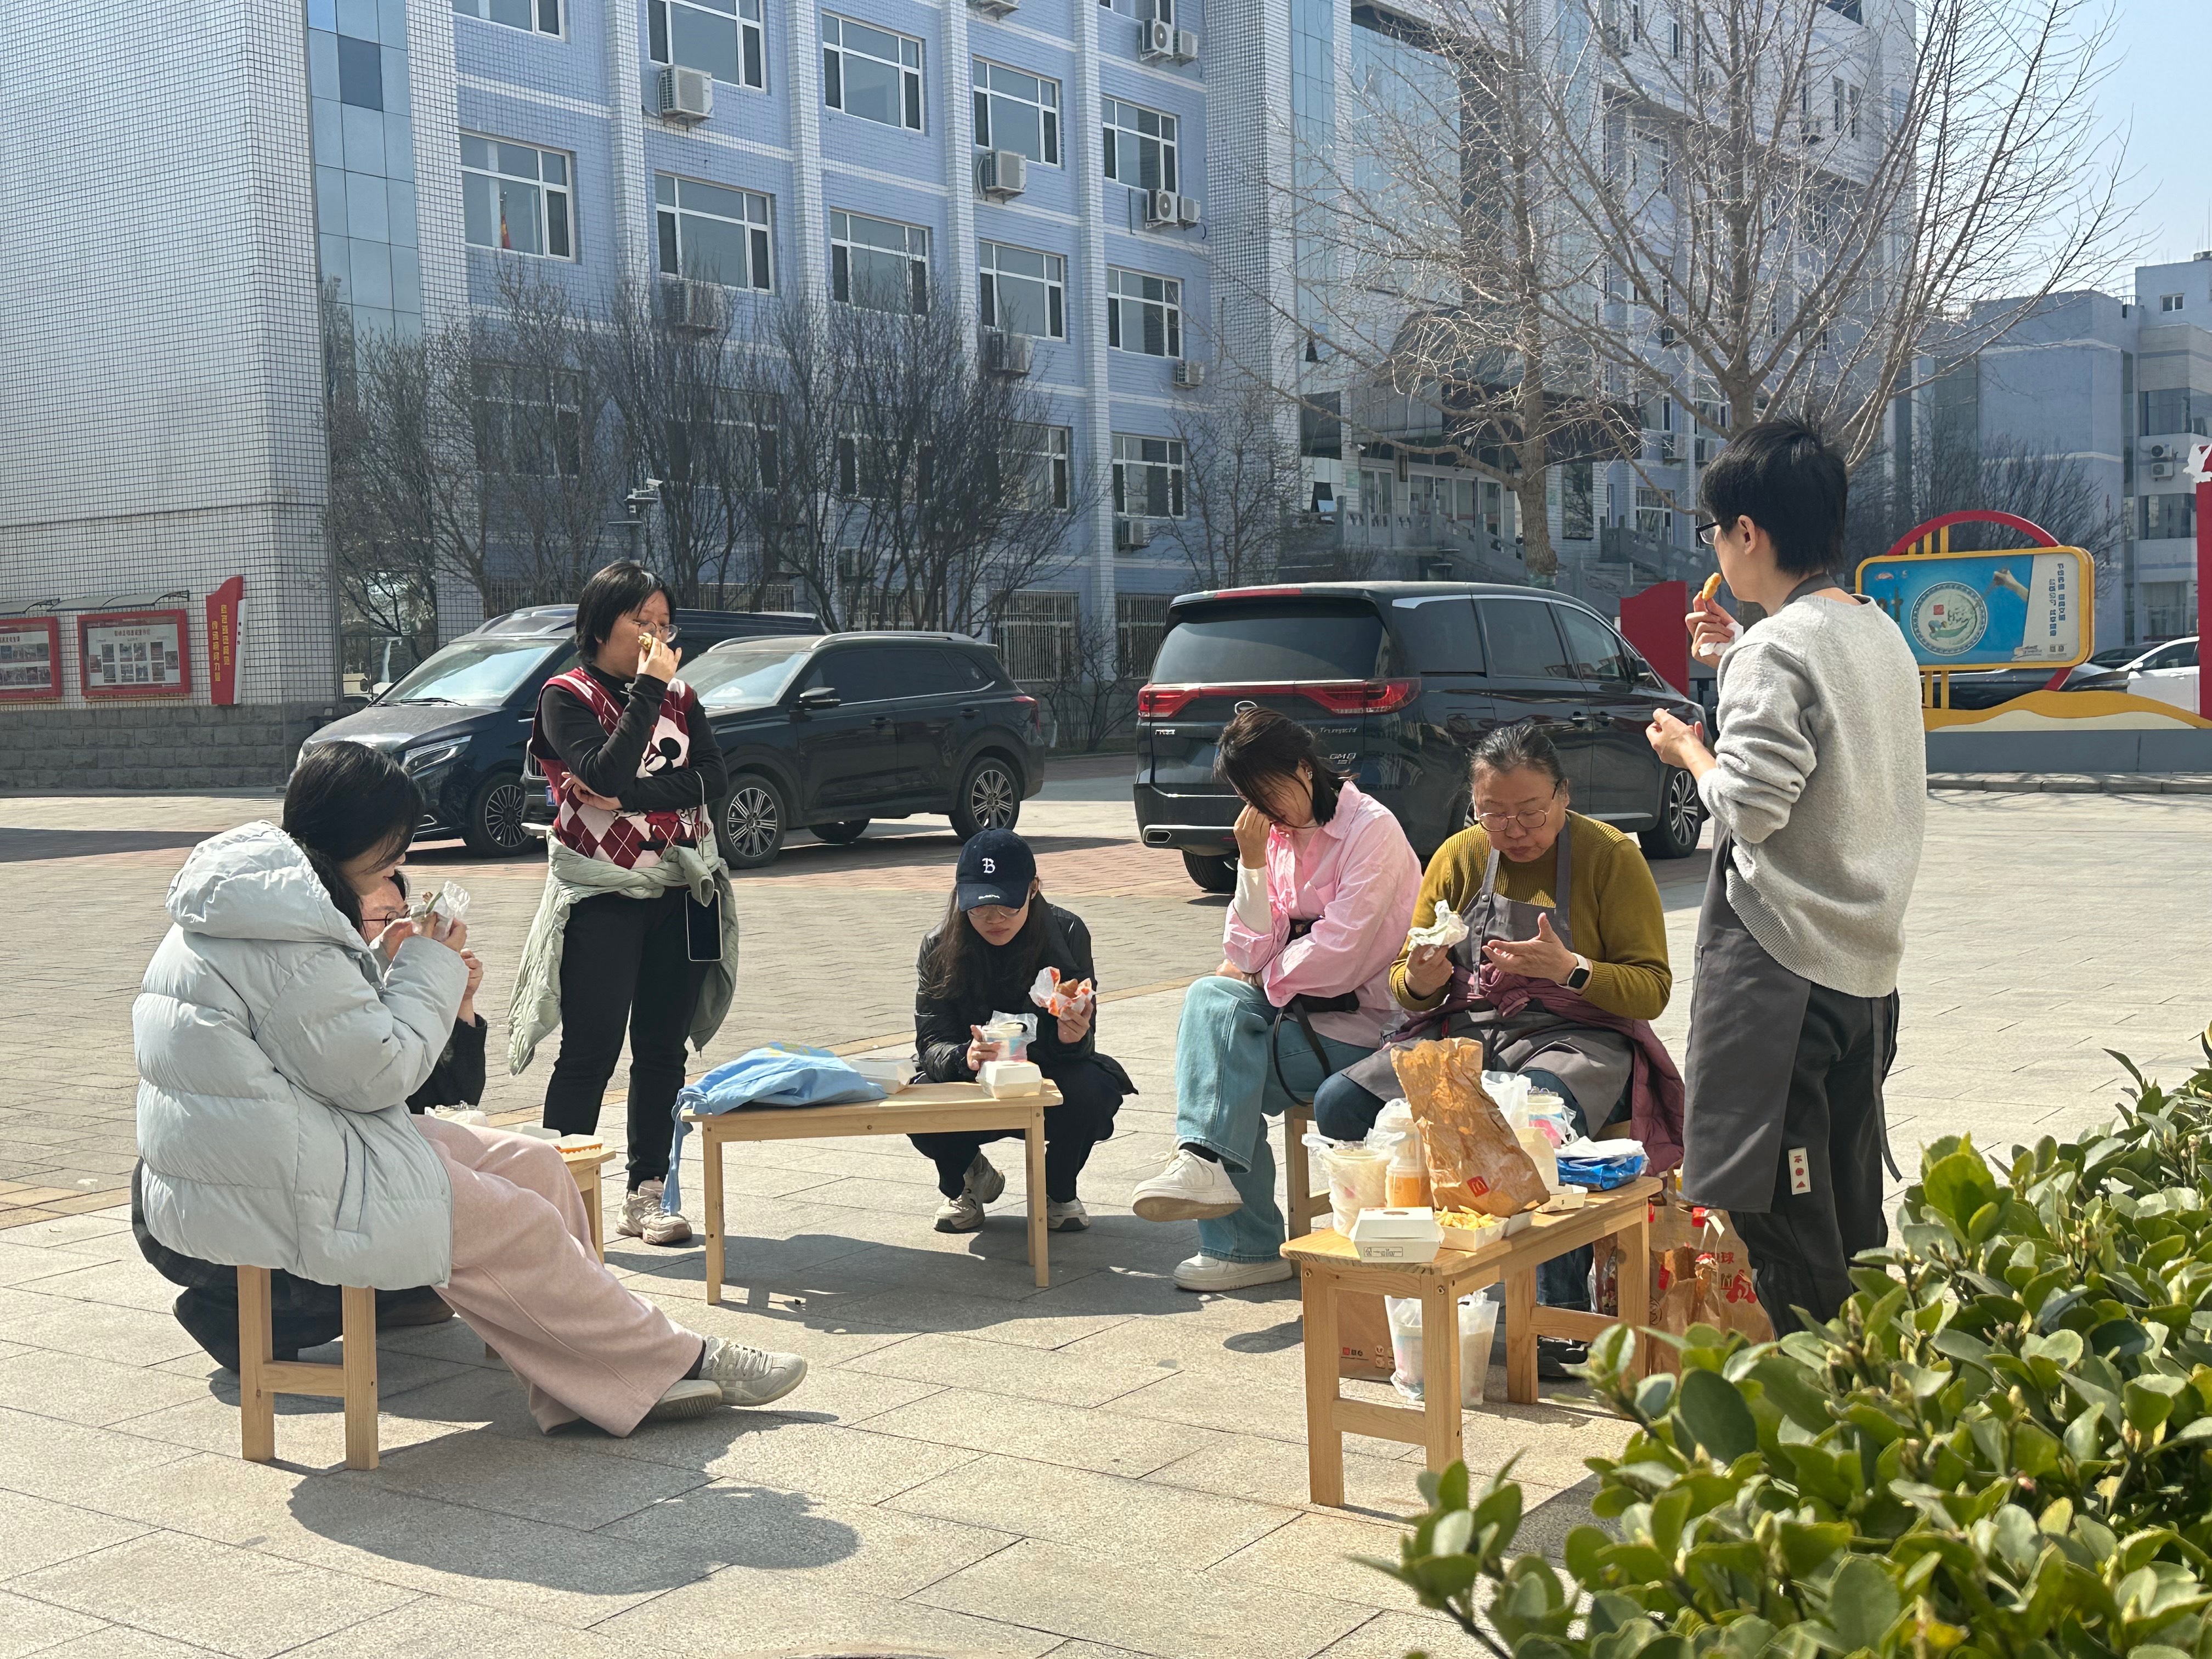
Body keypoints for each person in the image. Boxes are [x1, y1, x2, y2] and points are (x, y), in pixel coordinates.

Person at [135, 741, 806, 1432]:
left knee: (537, 1168)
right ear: (357, 833)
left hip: (279, 1147)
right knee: (515, 1221)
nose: (399, 861)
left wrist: (396, 969)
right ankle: (674, 1359)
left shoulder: (260, 902)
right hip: (276, 1172)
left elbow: (323, 1050)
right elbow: (380, 1075)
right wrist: (428, 965)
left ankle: (583, 1385)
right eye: (393, 846)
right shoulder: (287, 930)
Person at [1645, 417, 1926, 1337]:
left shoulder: (1776, 650)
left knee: (1776, 1209)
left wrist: (1689, 750)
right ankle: (1881, 1382)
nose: (1715, 551)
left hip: (1782, 970)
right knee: (1846, 1208)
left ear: (1746, 531)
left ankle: (1826, 1394)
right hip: (1863, 968)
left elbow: (1749, 806)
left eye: (1715, 531)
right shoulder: (1875, 630)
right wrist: (1738, 651)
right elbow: (1822, 727)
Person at [1312, 721, 1680, 1371]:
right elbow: (1406, 982)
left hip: (1578, 1034)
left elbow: (1652, 989)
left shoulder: (1609, 856)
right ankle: (1405, 1285)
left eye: (1531, 812)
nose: (1514, 829)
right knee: (1341, 1102)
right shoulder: (1459, 856)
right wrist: (1422, 977)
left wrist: (1570, 969)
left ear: (1564, 795)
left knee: (1537, 1116)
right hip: (1470, 1028)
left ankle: (1551, 1313)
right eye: (1494, 813)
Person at [133, 868, 488, 1370]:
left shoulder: (338, 980)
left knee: (437, 1231)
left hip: (229, 1195)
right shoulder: (305, 987)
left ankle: (368, 1301)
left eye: (404, 915)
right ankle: (236, 1320)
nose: (402, 931)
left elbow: (451, 1101)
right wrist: (413, 984)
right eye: (384, 919)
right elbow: (366, 1091)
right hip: (222, 1202)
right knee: (413, 1236)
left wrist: (456, 1002)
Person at [1130, 707, 1421, 1290]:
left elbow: (1341, 956)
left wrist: (1262, 976)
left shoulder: (1372, 831)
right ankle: (1209, 1175)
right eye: (1249, 798)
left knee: (1222, 1072)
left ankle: (1243, 1241)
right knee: (1212, 1006)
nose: (1264, 809)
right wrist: (1253, 864)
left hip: (1369, 1034)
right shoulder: (1276, 838)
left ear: (1304, 769)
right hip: (1300, 1020)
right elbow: (1244, 948)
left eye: (1268, 791)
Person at [510, 561, 739, 1249]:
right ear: (599, 624)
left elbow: (714, 778)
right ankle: (559, 1203)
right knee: (591, 1049)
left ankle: (648, 1191)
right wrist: (648, 690)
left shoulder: (683, 697)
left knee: (663, 1049)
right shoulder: (565, 696)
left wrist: (632, 796)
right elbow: (602, 769)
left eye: (664, 624)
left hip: (683, 886)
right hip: (604, 892)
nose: (656, 636)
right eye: (642, 621)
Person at [909, 829, 1136, 1232]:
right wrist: (964, 1055)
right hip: (972, 1074)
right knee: (916, 1101)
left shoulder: (1067, 933)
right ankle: (968, 1177)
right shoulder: (939, 945)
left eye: (1007, 906)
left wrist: (1072, 1037)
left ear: (1033, 889)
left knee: (1094, 1090)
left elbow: (1083, 1035)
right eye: (980, 907)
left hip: (1045, 1067)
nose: (994, 919)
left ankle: (1057, 1190)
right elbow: (931, 1040)